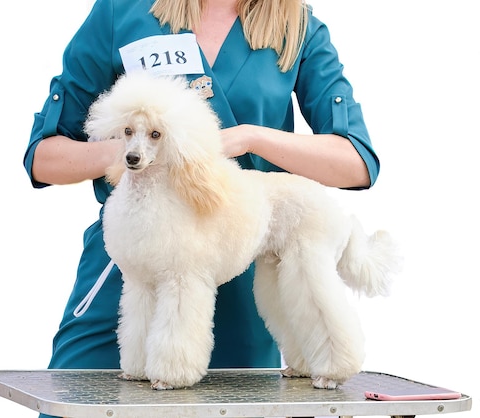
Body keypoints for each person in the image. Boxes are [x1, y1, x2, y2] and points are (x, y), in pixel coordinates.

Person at [24, 0, 378, 414]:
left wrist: (249, 138)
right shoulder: (123, 12)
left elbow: (355, 162)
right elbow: (43, 157)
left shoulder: (297, 26)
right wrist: (137, 149)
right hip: (122, 273)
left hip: (241, 273)